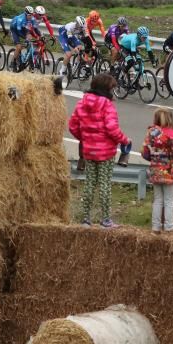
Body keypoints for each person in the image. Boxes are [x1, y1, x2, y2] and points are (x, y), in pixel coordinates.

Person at [68, 73, 132, 228]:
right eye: (112, 88)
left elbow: (73, 126)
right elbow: (112, 129)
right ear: (106, 88)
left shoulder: (82, 103)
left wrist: (84, 138)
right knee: (104, 184)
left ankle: (86, 219)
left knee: (89, 183)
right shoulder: (107, 105)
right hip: (106, 152)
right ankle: (105, 219)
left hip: (89, 151)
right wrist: (125, 140)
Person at [142, 108, 173, 232]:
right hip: (169, 172)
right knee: (169, 201)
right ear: (170, 118)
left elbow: (145, 153)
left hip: (155, 171)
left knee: (158, 200)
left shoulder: (151, 133)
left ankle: (156, 227)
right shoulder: (172, 133)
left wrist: (155, 158)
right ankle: (169, 228)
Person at [8, 5, 38, 71]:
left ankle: (27, 60)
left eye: (32, 15)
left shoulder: (32, 18)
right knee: (19, 46)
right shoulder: (20, 19)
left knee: (29, 38)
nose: (31, 16)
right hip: (15, 30)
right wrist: (26, 39)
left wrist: (40, 36)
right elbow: (19, 32)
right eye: (29, 15)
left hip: (23, 28)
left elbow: (35, 29)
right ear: (25, 14)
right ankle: (13, 62)